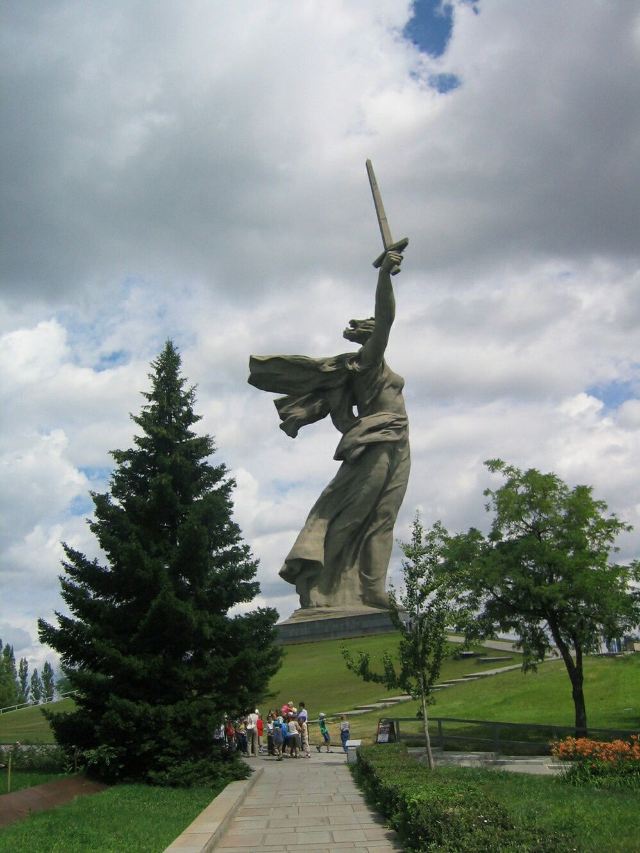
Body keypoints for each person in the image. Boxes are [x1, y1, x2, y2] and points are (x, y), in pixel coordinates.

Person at [249, 250, 410, 610]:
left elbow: (340, 416)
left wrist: (352, 428)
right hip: (377, 439)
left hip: (399, 438)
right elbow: (387, 317)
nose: (379, 330)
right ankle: (318, 582)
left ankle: (373, 590)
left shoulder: (369, 367)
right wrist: (384, 275)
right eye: (374, 328)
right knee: (352, 515)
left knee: (383, 518)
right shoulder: (368, 362)